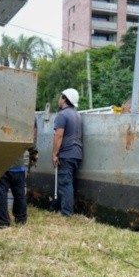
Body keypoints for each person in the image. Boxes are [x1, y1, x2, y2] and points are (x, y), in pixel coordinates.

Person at [0, 120, 37, 228]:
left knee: (1, 194)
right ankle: (21, 219)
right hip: (18, 167)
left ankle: (3, 222)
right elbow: (31, 145)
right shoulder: (20, 126)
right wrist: (34, 154)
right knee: (19, 194)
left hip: (3, 167)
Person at [50, 88, 83, 217]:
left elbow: (58, 135)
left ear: (64, 99)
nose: (59, 99)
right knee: (65, 181)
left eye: (60, 97)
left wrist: (54, 154)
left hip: (66, 154)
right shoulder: (77, 115)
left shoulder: (62, 115)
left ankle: (67, 213)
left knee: (65, 183)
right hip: (77, 154)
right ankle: (55, 208)